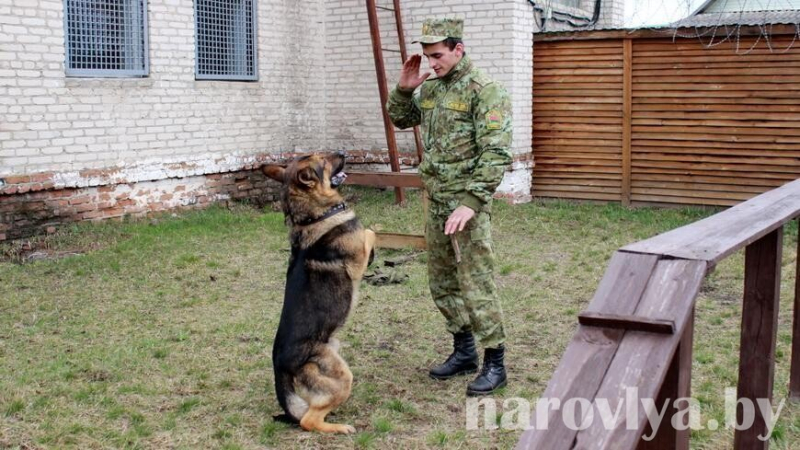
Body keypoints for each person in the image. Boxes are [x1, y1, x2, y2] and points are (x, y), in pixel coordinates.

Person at [386, 17, 512, 396]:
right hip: (437, 201)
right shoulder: (434, 89)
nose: (432, 63)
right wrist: (404, 91)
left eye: (438, 55)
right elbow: (401, 118)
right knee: (441, 282)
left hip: (465, 206)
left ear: (459, 49)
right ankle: (464, 351)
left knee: (476, 282)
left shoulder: (484, 90)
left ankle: (495, 362)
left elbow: (496, 151)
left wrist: (471, 202)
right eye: (427, 56)